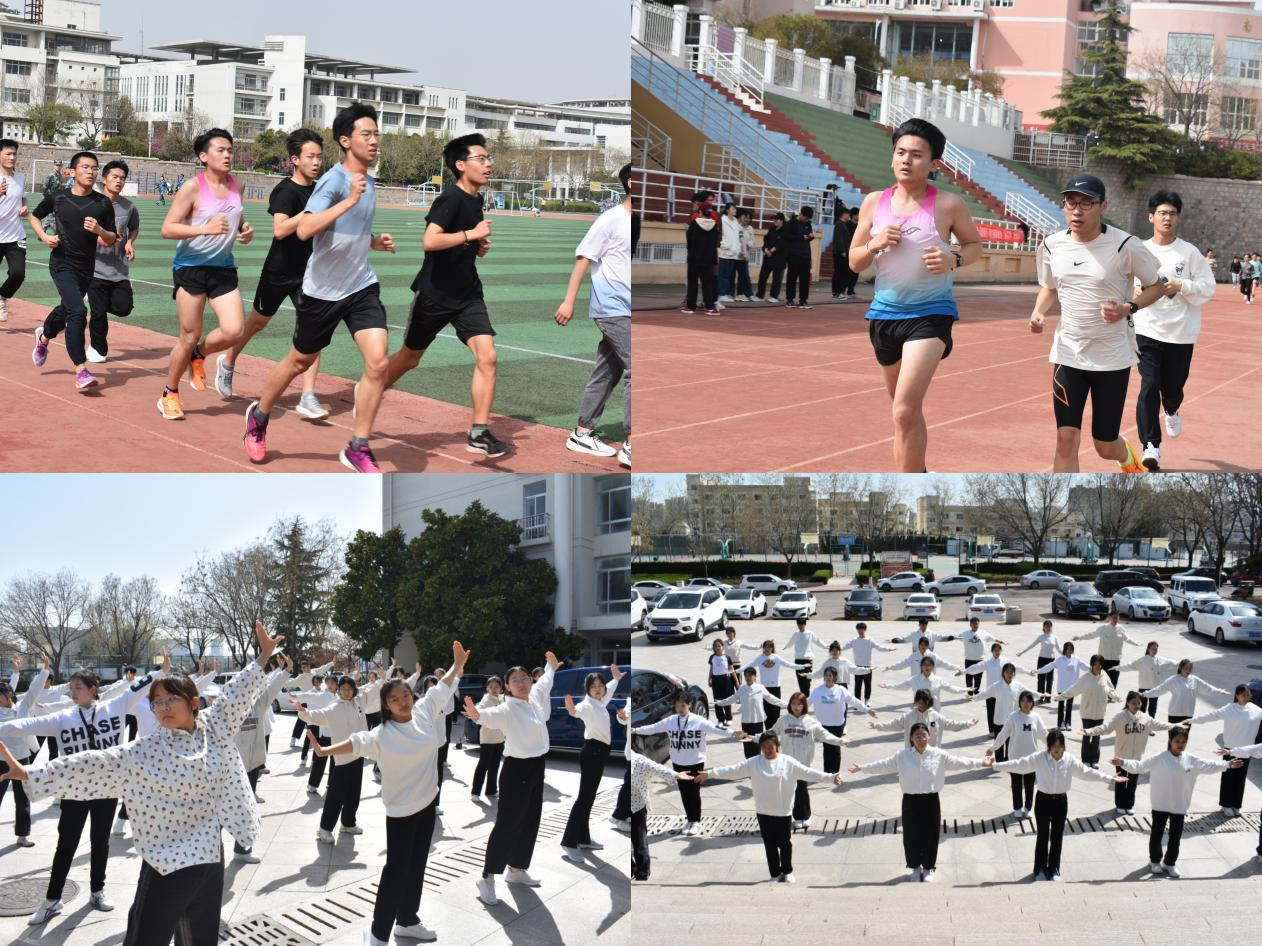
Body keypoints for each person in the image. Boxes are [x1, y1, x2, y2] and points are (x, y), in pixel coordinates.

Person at [0, 622, 277, 941]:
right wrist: (31, 773)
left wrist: (263, 657)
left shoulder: (213, 729)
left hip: (209, 859)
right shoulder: (146, 750)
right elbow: (96, 763)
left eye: (171, 699)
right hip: (165, 862)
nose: (163, 707)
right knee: (146, 938)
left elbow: (235, 695)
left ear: (194, 702)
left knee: (199, 938)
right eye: (157, 701)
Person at [244, 103, 396, 472]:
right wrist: (349, 200)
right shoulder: (333, 182)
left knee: (378, 361)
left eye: (376, 134)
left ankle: (358, 446)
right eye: (366, 134)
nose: (374, 141)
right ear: (345, 141)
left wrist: (373, 242)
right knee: (299, 361)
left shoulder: (368, 183)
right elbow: (305, 229)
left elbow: (347, 232)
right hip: (322, 292)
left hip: (360, 285)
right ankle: (259, 415)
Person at [309, 640, 469, 945]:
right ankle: (378, 934)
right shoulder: (382, 734)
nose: (402, 701)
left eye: (405, 695)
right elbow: (356, 742)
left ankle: (407, 920)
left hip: (426, 806)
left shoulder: (424, 712)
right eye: (394, 699)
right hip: (401, 813)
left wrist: (458, 665)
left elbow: (443, 687)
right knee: (396, 871)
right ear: (386, 705)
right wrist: (325, 750)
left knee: (417, 866)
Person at [847, 119, 983, 471]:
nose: (906, 160)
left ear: (934, 163)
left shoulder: (948, 205)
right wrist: (875, 243)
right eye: (900, 152)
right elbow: (854, 261)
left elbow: (974, 246)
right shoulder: (874, 203)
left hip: (931, 314)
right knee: (904, 414)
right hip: (884, 315)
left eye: (917, 155)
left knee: (904, 409)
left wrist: (953, 259)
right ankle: (918, 474)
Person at [0, 655, 167, 923]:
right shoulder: (63, 717)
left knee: (100, 842)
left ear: (93, 689)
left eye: (78, 687)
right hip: (73, 792)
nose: (72, 692)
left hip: (107, 790)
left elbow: (138, 686)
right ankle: (52, 900)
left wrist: (160, 671)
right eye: (71, 687)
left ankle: (97, 892)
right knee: (66, 844)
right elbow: (24, 725)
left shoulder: (115, 706)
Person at [380, 133, 510, 459]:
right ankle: (370, 388)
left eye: (488, 158)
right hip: (435, 294)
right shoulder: (450, 198)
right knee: (410, 358)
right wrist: (471, 234)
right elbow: (430, 241)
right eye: (481, 158)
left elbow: (462, 242)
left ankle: (479, 431)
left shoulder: (476, 199)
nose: (488, 164)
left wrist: (477, 246)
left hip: (468, 294)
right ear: (461, 165)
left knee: (488, 356)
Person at [1029, 173, 1166, 472]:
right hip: (1068, 354)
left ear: (1103, 205)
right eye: (1071, 203)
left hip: (1111, 359)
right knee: (1066, 438)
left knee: (1104, 445)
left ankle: (1126, 458)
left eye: (1086, 203)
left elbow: (1157, 286)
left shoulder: (1125, 245)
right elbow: (1050, 287)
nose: (1077, 211)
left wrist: (1128, 308)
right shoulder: (1052, 245)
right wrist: (1039, 312)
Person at [208, 128, 328, 419]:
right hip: (279, 271)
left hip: (311, 273)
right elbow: (281, 229)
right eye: (310, 156)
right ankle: (228, 360)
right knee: (256, 323)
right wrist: (310, 212)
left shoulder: (321, 190)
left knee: (313, 329)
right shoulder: (286, 191)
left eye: (319, 157)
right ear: (295, 159)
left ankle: (308, 395)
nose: (316, 162)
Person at [158, 129, 254, 420]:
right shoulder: (192, 188)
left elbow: (236, 216)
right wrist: (204, 228)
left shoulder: (238, 184)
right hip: (191, 268)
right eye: (220, 150)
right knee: (188, 336)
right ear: (203, 156)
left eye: (230, 150)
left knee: (234, 330)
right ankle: (169, 394)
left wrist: (244, 229)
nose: (227, 155)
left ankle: (199, 355)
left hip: (223, 267)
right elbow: (168, 229)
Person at [464, 651, 562, 905]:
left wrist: (551, 668)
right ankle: (487, 878)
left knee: (531, 820)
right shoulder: (507, 707)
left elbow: (545, 682)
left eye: (524, 678)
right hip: (516, 770)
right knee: (507, 824)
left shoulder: (535, 698)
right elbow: (489, 717)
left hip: (537, 766)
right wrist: (477, 715)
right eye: (515, 680)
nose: (521, 683)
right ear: (507, 687)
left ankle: (517, 869)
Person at [555, 162, 631, 467]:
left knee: (609, 369)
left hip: (630, 307)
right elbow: (583, 258)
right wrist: (568, 301)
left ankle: (582, 432)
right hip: (612, 307)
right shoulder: (611, 219)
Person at [848, 722, 993, 881]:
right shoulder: (902, 756)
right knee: (911, 835)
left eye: (923, 735)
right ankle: (915, 867)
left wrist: (981, 762)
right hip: (910, 801)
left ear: (929, 736)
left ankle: (929, 868)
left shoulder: (938, 754)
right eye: (917, 736)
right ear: (911, 738)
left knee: (931, 834)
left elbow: (960, 762)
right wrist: (862, 767)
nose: (921, 738)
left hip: (931, 800)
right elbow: (882, 765)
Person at [1135, 190, 1216, 470]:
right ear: (1151, 217)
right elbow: (1125, 282)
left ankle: (1171, 408)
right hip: (1147, 330)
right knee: (1149, 385)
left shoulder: (1189, 253)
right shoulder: (1140, 250)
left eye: (1172, 213)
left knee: (1172, 388)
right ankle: (1151, 445)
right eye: (1162, 213)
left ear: (1178, 218)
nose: (1167, 218)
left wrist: (1182, 285)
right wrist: (1135, 290)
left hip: (1180, 333)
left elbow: (1208, 288)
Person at [697, 730, 841, 882]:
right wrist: (710, 773)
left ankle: (787, 871)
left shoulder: (788, 762)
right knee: (769, 844)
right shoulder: (754, 763)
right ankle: (775, 874)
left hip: (783, 811)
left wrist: (831, 777)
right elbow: (733, 770)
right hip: (763, 811)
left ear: (777, 746)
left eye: (770, 747)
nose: (767, 750)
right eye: (763, 747)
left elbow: (808, 773)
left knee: (784, 844)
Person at [29, 151, 117, 391]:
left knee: (68, 307)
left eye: (94, 168)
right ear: (72, 171)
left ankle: (44, 336)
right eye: (85, 167)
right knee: (78, 311)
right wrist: (44, 236)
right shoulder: (58, 197)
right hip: (61, 263)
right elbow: (35, 217)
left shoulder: (103, 203)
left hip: (86, 267)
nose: (90, 172)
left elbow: (112, 238)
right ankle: (81, 369)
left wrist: (99, 230)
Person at [994, 729, 1124, 881]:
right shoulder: (1039, 758)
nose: (1057, 749)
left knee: (1057, 836)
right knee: (1042, 836)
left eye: (1059, 746)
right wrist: (995, 765)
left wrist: (1109, 778)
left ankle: (1054, 869)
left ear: (1063, 746)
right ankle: (1040, 869)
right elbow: (1018, 764)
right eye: (1053, 746)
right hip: (1043, 801)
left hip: (1061, 802)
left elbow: (1086, 772)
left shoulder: (1069, 760)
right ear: (1048, 746)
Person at [1114, 726, 1239, 877]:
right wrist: (1122, 762)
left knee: (1175, 837)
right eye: (1177, 741)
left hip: (1179, 805)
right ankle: (1154, 861)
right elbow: (1140, 766)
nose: (1180, 744)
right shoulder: (1159, 758)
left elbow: (1209, 765)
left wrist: (1228, 764)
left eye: (1183, 742)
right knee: (1157, 834)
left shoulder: (1191, 759)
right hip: (1161, 804)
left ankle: (1170, 863)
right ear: (1170, 741)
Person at [634, 689, 750, 837]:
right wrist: (635, 730)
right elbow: (652, 728)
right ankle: (690, 820)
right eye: (677, 705)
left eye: (683, 705)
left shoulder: (698, 720)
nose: (680, 708)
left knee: (694, 793)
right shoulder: (671, 720)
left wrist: (733, 733)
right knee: (684, 793)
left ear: (689, 705)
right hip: (678, 762)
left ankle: (696, 821)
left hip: (695, 762)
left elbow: (716, 728)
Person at [617, 702, 695, 882]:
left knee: (639, 840)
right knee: (635, 839)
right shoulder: (631, 758)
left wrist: (676, 775)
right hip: (629, 806)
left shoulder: (638, 760)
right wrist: (623, 718)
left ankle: (642, 871)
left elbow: (658, 768)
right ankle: (636, 869)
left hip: (636, 805)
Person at [230, 652, 294, 863]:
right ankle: (209, 852)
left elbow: (273, 687)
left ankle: (242, 850)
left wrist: (286, 671)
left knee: (247, 808)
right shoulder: (229, 707)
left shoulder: (259, 704)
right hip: (232, 767)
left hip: (252, 764)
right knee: (223, 811)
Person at [560, 666, 623, 862]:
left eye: (600, 685)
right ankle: (569, 842)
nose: (598, 689)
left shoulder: (601, 701)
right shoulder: (588, 705)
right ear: (587, 689)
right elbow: (577, 711)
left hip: (600, 753)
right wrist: (571, 709)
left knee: (589, 798)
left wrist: (616, 679)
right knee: (583, 799)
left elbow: (609, 689)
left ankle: (583, 838)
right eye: (593, 686)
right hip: (592, 753)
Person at [295, 674, 369, 842]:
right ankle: (324, 829)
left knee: (354, 793)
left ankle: (348, 823)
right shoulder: (334, 707)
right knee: (336, 795)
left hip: (358, 754)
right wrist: (303, 712)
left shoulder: (358, 702)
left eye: (349, 688)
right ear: (339, 690)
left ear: (354, 689)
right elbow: (317, 715)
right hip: (342, 758)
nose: (346, 692)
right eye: (343, 689)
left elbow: (373, 690)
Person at [1082, 690, 1174, 814]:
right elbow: (1105, 728)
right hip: (1121, 757)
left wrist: (1176, 725)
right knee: (1121, 781)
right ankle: (1120, 804)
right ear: (1127, 703)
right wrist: (1089, 731)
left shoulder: (1145, 718)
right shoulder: (1120, 717)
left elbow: (1160, 725)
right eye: (1133, 703)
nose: (1136, 706)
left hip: (1136, 758)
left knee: (1132, 782)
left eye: (1138, 703)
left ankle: (1129, 805)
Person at [84, 160, 139, 364]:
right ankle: (98, 349)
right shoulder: (91, 203)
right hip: (94, 268)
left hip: (119, 269)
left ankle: (96, 302)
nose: (118, 181)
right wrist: (96, 237)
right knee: (98, 314)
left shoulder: (129, 207)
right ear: (104, 179)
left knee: (124, 308)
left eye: (122, 178)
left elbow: (133, 227)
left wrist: (130, 242)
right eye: (114, 177)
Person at [1189, 684, 1262, 816]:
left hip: (1246, 751)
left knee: (1240, 779)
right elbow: (1210, 716)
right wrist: (1190, 721)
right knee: (1229, 778)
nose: (1247, 697)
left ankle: (1236, 805)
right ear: (1237, 695)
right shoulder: (1229, 709)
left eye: (1248, 695)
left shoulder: (1257, 710)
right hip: (1230, 750)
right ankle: (1226, 805)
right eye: (1244, 695)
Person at [0, 656, 49, 847]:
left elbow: (33, 689)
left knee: (22, 798)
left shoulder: (21, 708)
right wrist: (15, 672)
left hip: (21, 759)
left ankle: (23, 835)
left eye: (2, 694)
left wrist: (45, 669)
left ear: (9, 695)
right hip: (1, 761)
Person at [1053, 654, 1120, 766]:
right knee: (1087, 736)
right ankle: (1085, 760)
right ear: (1092, 665)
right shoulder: (1086, 677)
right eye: (1096, 664)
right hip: (1087, 713)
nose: (1098, 667)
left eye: (1100, 664)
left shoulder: (1104, 675)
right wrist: (1060, 697)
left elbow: (1110, 689)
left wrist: (1118, 697)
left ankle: (1094, 760)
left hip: (1100, 713)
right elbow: (1074, 689)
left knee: (1096, 737)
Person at [990, 690, 1047, 816]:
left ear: (1032, 703)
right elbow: (1003, 734)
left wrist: (1055, 746)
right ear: (1019, 702)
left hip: (1031, 758)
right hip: (1015, 757)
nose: (1025, 704)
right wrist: (993, 748)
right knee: (1016, 784)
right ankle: (1017, 808)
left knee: (1029, 785)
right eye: (1023, 701)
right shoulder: (1013, 716)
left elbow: (1044, 734)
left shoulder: (1036, 717)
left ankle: (1028, 808)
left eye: (1028, 701)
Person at [806, 667, 874, 770]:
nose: (828, 677)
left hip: (837, 725)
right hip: (824, 725)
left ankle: (835, 773)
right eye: (826, 675)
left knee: (835, 748)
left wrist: (867, 709)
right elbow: (807, 702)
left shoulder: (840, 690)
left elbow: (853, 701)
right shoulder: (818, 690)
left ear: (834, 677)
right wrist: (795, 712)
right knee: (827, 749)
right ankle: (827, 773)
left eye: (830, 675)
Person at [715, 666, 789, 760]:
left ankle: (757, 763)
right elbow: (732, 698)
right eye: (746, 676)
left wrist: (788, 705)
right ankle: (749, 763)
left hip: (757, 722)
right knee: (747, 746)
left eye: (750, 675)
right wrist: (720, 703)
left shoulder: (760, 688)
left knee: (757, 745)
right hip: (746, 722)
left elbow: (772, 699)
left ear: (755, 677)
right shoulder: (742, 689)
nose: (748, 678)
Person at [868, 688, 977, 749]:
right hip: (912, 753)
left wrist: (968, 723)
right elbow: (893, 724)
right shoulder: (909, 716)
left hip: (931, 752)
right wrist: (876, 725)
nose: (922, 705)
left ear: (929, 702)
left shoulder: (936, 717)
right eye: (919, 702)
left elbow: (952, 724)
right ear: (916, 702)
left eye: (925, 703)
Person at [1141, 659, 1229, 725]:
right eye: (1186, 668)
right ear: (1180, 668)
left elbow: (1207, 688)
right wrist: (1144, 694)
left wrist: (1219, 691)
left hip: (1188, 714)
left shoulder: (1194, 680)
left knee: (1183, 740)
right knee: (1173, 739)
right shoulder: (1173, 680)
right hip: (1175, 714)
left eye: (1190, 668)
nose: (1188, 670)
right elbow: (1159, 690)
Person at [0, 138, 28, 323]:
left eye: (14, 154)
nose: (12, 157)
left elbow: (22, 198)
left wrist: (24, 207)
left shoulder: (20, 178)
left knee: (18, 274)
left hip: (15, 235)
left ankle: (2, 297)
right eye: (8, 154)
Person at [1073, 612, 1139, 687]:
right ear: (1110, 618)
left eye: (1117, 618)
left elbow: (1127, 639)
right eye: (1114, 618)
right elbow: (1092, 635)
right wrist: (1080, 637)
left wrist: (1136, 643)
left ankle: (1112, 694)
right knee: (1102, 682)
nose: (1115, 620)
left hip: (1115, 660)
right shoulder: (1103, 628)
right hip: (1103, 660)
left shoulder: (1121, 629)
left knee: (1114, 682)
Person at [682, 190, 720, 315]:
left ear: (700, 211)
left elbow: (690, 241)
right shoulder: (714, 225)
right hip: (709, 259)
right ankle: (710, 307)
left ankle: (690, 306)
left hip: (694, 258)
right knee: (707, 283)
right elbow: (715, 243)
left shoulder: (694, 224)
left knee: (693, 283)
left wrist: (690, 254)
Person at [1037, 641, 1091, 728]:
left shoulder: (1076, 659)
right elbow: (1049, 666)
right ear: (1064, 650)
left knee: (1069, 706)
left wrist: (1095, 669)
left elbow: (1086, 667)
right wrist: (1038, 671)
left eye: (1071, 649)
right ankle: (1061, 723)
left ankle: (1068, 723)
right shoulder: (1060, 660)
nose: (1069, 651)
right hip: (1062, 687)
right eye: (1068, 649)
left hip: (1072, 688)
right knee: (1061, 706)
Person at [1117, 641, 1177, 717]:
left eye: (1156, 649)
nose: (1154, 651)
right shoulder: (1142, 660)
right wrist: (1117, 668)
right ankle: (1140, 721)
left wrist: (1182, 663)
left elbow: (1172, 663)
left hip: (1155, 688)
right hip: (1143, 687)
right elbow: (1130, 665)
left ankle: (1151, 722)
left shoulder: (1160, 659)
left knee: (1152, 709)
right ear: (1148, 649)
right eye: (1152, 649)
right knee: (1141, 708)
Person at [881, 655, 968, 706]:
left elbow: (952, 689)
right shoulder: (914, 679)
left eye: (929, 665)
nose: (927, 667)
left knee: (933, 730)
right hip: (919, 711)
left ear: (933, 667)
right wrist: (888, 686)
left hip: (934, 712)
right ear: (921, 666)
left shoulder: (938, 680)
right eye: (925, 665)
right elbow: (901, 686)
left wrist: (966, 689)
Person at [470, 676, 505, 801]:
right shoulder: (486, 700)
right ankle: (475, 792)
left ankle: (491, 790)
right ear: (487, 688)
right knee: (483, 765)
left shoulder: (502, 699)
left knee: (495, 766)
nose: (494, 689)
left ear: (501, 688)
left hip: (500, 738)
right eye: (491, 687)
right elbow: (478, 711)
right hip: (487, 739)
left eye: (496, 687)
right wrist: (473, 712)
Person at [841, 623, 893, 702]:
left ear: (865, 630)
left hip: (868, 666)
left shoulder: (869, 640)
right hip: (857, 667)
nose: (860, 631)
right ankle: (857, 701)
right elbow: (844, 647)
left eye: (862, 629)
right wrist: (835, 648)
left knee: (867, 685)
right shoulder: (854, 640)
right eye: (858, 629)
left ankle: (867, 700)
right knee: (857, 685)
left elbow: (879, 647)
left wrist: (888, 649)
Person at [752, 640, 797, 727]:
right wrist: (736, 671)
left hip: (775, 686)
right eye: (765, 647)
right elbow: (749, 665)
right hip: (764, 687)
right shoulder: (760, 658)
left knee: (776, 708)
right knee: (766, 708)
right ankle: (768, 728)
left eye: (769, 647)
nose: (767, 649)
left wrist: (802, 666)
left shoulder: (776, 658)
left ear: (772, 648)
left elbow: (789, 664)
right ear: (763, 648)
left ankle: (776, 727)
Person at [959, 617, 1006, 696]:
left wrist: (1001, 641)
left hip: (980, 659)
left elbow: (993, 638)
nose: (975, 625)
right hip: (969, 659)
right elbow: (956, 637)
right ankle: (969, 692)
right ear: (970, 624)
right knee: (969, 676)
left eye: (977, 623)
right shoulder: (965, 634)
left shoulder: (983, 633)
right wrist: (948, 638)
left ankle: (976, 691)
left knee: (978, 677)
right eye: (974, 624)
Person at [1017, 620, 1060, 703]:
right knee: (1041, 679)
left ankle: (1048, 697)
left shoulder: (1054, 637)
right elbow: (1032, 645)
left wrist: (1067, 655)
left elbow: (1059, 649)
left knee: (1050, 679)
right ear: (1044, 627)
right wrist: (1022, 652)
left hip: (1051, 660)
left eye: (1050, 626)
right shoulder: (1041, 637)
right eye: (1046, 626)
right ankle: (1041, 697)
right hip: (1042, 659)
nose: (1048, 628)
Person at [786, 616, 829, 696]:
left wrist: (826, 646)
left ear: (805, 624)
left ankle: (806, 697)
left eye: (802, 625)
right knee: (800, 681)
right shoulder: (796, 634)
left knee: (807, 681)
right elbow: (790, 642)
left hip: (808, 660)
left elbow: (818, 641)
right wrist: (784, 647)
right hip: (798, 660)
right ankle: (804, 698)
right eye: (799, 625)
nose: (800, 627)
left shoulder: (810, 633)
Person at [783, 205, 815, 310]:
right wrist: (801, 237)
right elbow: (786, 237)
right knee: (792, 278)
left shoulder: (808, 224)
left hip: (805, 255)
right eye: (805, 217)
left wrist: (810, 237)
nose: (806, 220)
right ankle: (790, 299)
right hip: (793, 254)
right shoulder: (791, 223)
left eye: (808, 219)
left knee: (805, 279)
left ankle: (803, 300)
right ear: (801, 214)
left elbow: (809, 236)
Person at [887, 636, 962, 679]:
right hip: (916, 682)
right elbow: (902, 664)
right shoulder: (913, 656)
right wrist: (890, 667)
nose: (923, 646)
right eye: (921, 644)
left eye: (925, 645)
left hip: (929, 681)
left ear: (928, 646)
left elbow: (945, 664)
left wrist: (957, 667)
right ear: (919, 645)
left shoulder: (933, 656)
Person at [755, 212, 787, 302]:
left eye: (776, 219)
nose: (774, 221)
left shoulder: (785, 231)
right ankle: (760, 295)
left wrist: (772, 250)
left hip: (779, 259)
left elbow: (781, 244)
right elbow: (766, 240)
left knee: (777, 278)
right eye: (774, 219)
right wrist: (765, 249)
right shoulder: (771, 229)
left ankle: (774, 296)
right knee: (762, 276)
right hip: (768, 258)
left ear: (782, 220)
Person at [707, 639, 738, 728]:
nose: (717, 648)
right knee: (717, 700)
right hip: (715, 680)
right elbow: (711, 669)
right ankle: (720, 719)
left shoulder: (727, 657)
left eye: (719, 646)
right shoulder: (712, 657)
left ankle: (729, 718)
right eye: (715, 646)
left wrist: (736, 681)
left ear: (722, 647)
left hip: (725, 680)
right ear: (714, 648)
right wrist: (709, 679)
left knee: (726, 699)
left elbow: (732, 670)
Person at [831, 204, 858, 301]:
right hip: (840, 253)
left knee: (842, 273)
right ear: (843, 214)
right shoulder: (839, 225)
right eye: (847, 214)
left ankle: (839, 292)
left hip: (844, 252)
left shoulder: (843, 225)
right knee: (839, 273)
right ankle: (837, 292)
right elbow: (839, 239)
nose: (848, 216)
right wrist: (842, 251)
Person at [717, 202, 741, 303]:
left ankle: (726, 293)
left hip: (734, 252)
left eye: (735, 209)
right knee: (723, 274)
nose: (735, 210)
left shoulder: (736, 221)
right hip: (724, 252)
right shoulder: (722, 220)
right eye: (733, 209)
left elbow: (737, 236)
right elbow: (720, 233)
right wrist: (724, 244)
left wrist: (737, 248)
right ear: (727, 210)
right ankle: (721, 294)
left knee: (729, 274)